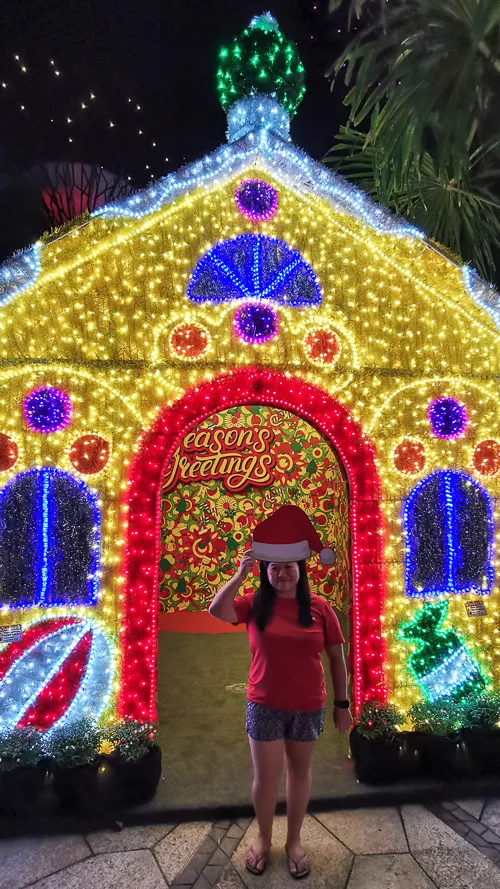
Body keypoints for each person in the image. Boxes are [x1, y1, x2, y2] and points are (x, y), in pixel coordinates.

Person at [209, 550, 352, 879]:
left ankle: (294, 842)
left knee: (299, 774)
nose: (282, 573)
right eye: (275, 568)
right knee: (266, 779)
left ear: (300, 569)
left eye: (289, 567)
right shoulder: (254, 603)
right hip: (264, 705)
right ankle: (263, 839)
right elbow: (217, 610)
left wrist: (341, 704)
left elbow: (336, 657)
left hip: (307, 706)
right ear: (265, 571)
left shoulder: (320, 607)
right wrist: (239, 576)